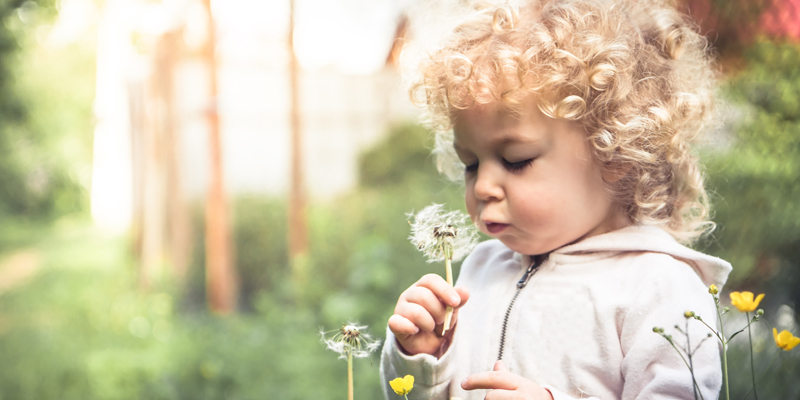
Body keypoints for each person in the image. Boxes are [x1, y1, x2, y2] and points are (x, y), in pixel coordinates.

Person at [380, 0, 733, 399]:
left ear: (613, 154)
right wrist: (421, 356)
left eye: (516, 161)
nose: (482, 187)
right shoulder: (479, 271)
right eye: (471, 164)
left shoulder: (656, 287)